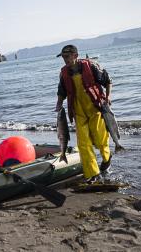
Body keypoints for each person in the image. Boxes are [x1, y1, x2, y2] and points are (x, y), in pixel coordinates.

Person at [55, 45, 112, 183]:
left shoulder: (91, 66)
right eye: (63, 57)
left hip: (95, 108)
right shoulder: (63, 73)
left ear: (75, 55)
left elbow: (108, 81)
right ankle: (93, 174)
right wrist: (59, 103)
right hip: (78, 112)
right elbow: (62, 91)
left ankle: (106, 158)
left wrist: (108, 97)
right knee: (83, 144)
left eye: (67, 57)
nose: (65, 60)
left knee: (100, 139)